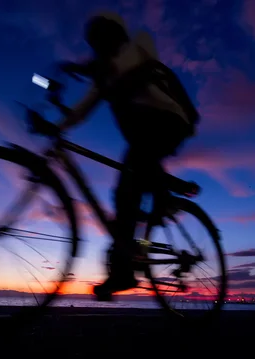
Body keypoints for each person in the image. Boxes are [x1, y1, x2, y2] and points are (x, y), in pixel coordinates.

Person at [51, 12, 200, 300]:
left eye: (103, 37)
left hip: (169, 121)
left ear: (117, 34)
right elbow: (82, 109)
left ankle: (124, 271)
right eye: (95, 41)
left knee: (127, 190)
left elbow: (141, 66)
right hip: (143, 135)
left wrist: (90, 69)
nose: (99, 45)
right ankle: (152, 214)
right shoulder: (104, 77)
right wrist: (55, 127)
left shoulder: (137, 45)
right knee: (126, 193)